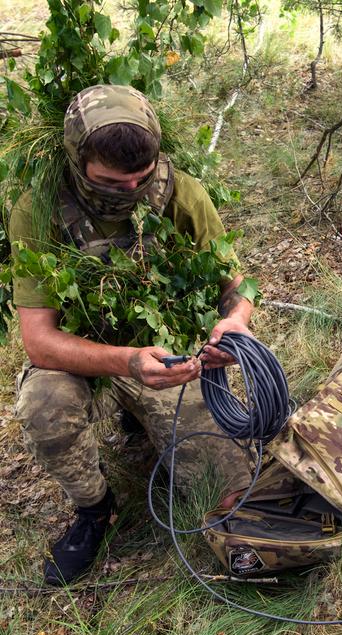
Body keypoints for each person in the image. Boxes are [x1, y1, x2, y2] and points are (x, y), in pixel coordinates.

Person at [8, 84, 253, 586]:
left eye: (141, 179)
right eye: (111, 183)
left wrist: (236, 321)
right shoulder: (38, 207)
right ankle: (95, 510)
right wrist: (126, 362)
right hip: (85, 357)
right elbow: (39, 340)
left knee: (230, 490)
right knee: (44, 406)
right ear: (77, 160)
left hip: (167, 355)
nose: (130, 192)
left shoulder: (181, 192)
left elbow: (237, 285)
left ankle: (148, 425)